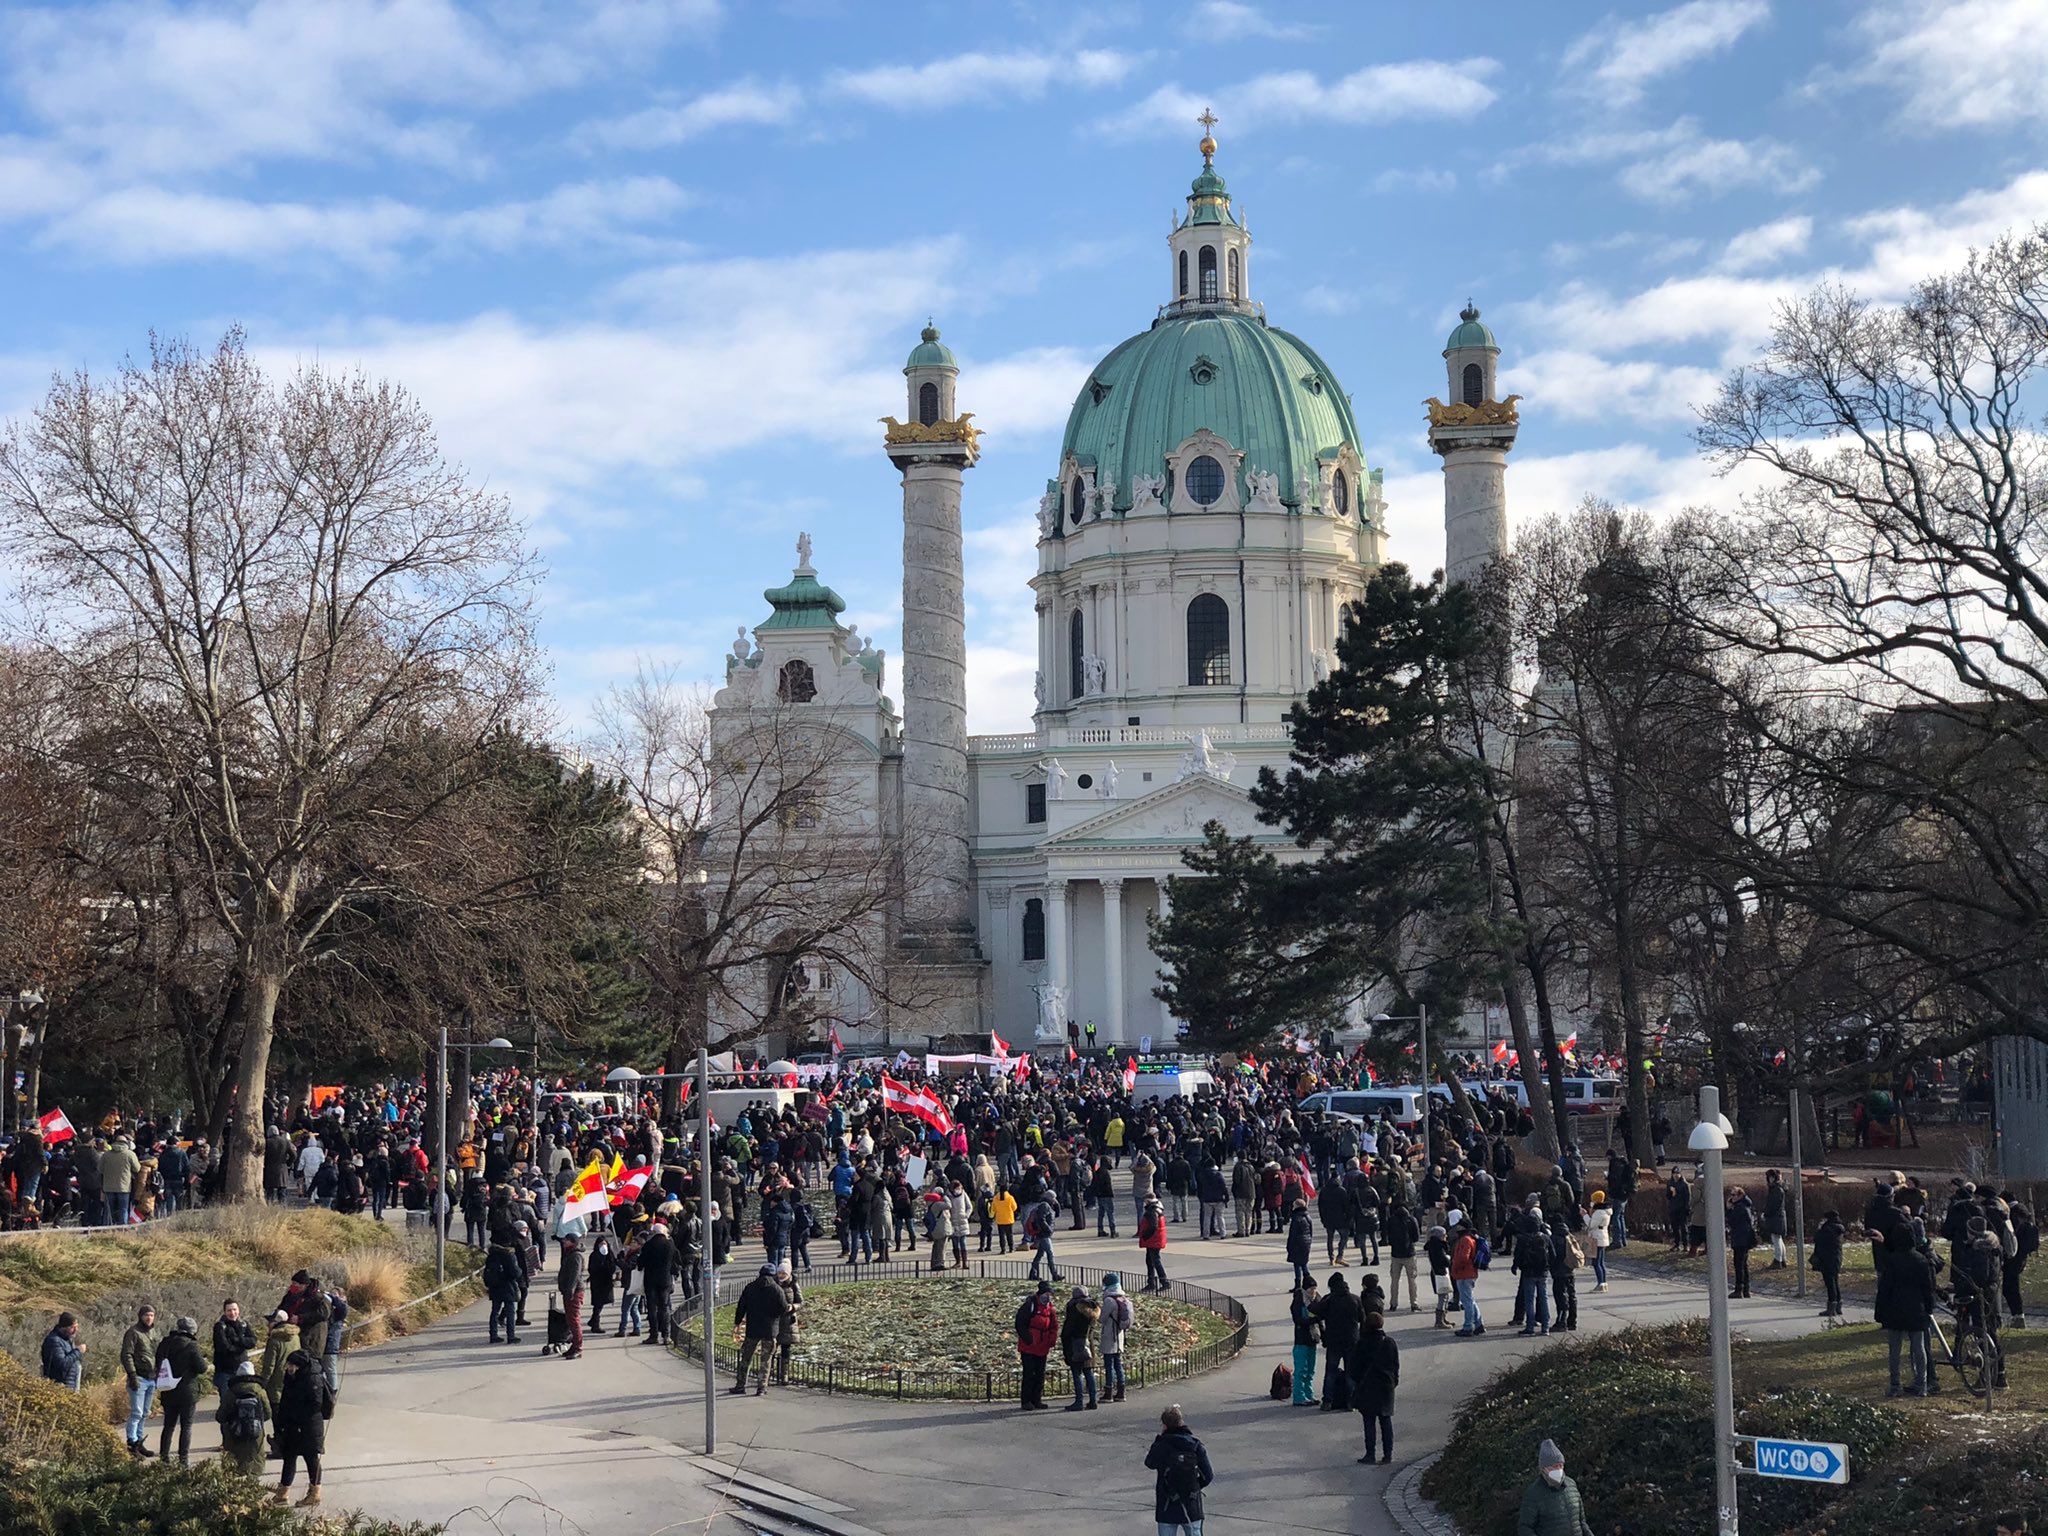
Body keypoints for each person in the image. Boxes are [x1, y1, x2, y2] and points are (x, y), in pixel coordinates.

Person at [1874, 1221, 1936, 1397]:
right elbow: (1928, 1288)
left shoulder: (1892, 1261)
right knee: (1919, 1348)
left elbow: (1884, 1289)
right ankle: (1922, 1384)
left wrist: (1880, 1312)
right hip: (1917, 1309)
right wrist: (1929, 1308)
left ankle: (1895, 1384)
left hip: (1895, 1309)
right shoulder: (1921, 1260)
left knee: (1895, 1349)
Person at [270, 1347, 335, 1508]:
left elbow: (315, 1404)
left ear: (299, 1365)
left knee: (311, 1458)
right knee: (289, 1456)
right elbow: (286, 1398)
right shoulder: (293, 1376)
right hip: (293, 1424)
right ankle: (283, 1493)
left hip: (309, 1426)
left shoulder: (313, 1379)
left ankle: (314, 1493)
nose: (288, 1368)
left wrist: (296, 1418)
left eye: (291, 1365)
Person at [1143, 1403, 1214, 1536]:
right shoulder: (1195, 1444)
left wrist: (1158, 1440)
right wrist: (1194, 1487)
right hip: (1191, 1504)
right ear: (1181, 1422)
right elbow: (1208, 1476)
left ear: (1164, 1425)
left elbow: (1149, 1463)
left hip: (1167, 1504)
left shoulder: (1162, 1445)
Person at [152, 1315, 206, 1466]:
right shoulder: (191, 1345)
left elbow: (158, 1361)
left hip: (168, 1389)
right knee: (186, 1426)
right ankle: (183, 1460)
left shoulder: (165, 1343)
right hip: (187, 1391)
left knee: (168, 1425)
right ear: (191, 1331)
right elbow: (201, 1367)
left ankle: (164, 1458)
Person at [731, 1264, 791, 1395]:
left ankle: (740, 1385)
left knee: (746, 1358)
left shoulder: (750, 1287)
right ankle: (761, 1387)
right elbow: (783, 1307)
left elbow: (741, 1306)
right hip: (770, 1330)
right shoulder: (777, 1289)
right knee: (766, 1360)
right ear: (773, 1275)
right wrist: (776, 1315)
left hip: (752, 1328)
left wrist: (737, 1322)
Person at [1349, 1310, 1399, 1464]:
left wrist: (1358, 1382)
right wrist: (1393, 1381)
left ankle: (1370, 1454)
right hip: (1386, 1386)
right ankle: (1388, 1454)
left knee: (1369, 1422)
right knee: (1386, 1421)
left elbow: (1354, 1368)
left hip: (1368, 1386)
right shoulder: (1389, 1342)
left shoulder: (1362, 1343)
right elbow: (1395, 1365)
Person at [1518, 1439, 1594, 1536]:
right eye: (1554, 1466)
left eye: (1560, 1465)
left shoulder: (1571, 1485)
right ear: (1544, 1469)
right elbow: (1525, 1527)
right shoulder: (1533, 1494)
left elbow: (1581, 1521)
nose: (1558, 1469)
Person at [214, 1359, 272, 1479]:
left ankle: (233, 1492)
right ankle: (252, 1489)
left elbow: (221, 1416)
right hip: (255, 1434)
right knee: (254, 1464)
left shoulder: (232, 1392)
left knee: (233, 1466)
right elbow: (267, 1414)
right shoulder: (260, 1391)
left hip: (234, 1433)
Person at [121, 1303, 160, 1457]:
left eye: (151, 1315)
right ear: (140, 1316)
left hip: (151, 1377)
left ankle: (139, 1441)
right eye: (146, 1315)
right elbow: (127, 1354)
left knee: (144, 1412)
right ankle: (132, 1443)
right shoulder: (133, 1332)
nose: (149, 1318)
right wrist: (132, 1374)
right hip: (138, 1377)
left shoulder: (153, 1333)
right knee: (136, 1412)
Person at [1014, 1279, 1059, 1411]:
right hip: (1029, 1346)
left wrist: (1051, 1340)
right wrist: (1029, 1339)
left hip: (1043, 1346)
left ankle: (1036, 1399)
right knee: (1029, 1373)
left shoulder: (1050, 1308)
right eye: (1047, 1293)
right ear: (1041, 1293)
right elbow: (1019, 1324)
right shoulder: (1030, 1305)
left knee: (1040, 1374)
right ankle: (1026, 1400)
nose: (1049, 1296)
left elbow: (1054, 1326)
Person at [1061, 1284, 1100, 1411]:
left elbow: (1068, 1329)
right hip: (1089, 1343)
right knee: (1088, 1372)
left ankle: (1079, 1401)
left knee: (1077, 1373)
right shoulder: (1093, 1308)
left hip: (1076, 1343)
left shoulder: (1073, 1307)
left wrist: (1065, 1340)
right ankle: (1093, 1400)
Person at [485, 1230, 525, 1344]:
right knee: (510, 1311)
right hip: (508, 1286)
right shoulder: (508, 1255)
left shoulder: (491, 1255)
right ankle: (511, 1336)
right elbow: (515, 1272)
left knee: (495, 1311)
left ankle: (493, 1335)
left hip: (495, 1286)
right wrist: (520, 1271)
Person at [213, 1299, 258, 1398]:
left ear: (238, 1310)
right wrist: (241, 1348)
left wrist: (238, 1340)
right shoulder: (220, 1326)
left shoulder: (243, 1324)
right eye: (229, 1310)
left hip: (243, 1370)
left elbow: (253, 1341)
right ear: (224, 1312)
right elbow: (223, 1347)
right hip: (225, 1372)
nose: (232, 1313)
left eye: (234, 1309)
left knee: (244, 1399)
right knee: (226, 1401)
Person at [1099, 1272, 1133, 1404]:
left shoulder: (1109, 1301)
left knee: (1109, 1365)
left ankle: (1108, 1393)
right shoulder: (1125, 1300)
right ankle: (1121, 1391)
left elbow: (1102, 1319)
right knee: (1118, 1364)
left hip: (1109, 1336)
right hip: (1120, 1336)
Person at [1289, 1276, 1321, 1406]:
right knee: (1301, 1370)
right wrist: (1314, 1320)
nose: (1313, 1292)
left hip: (1313, 1338)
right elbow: (1298, 1320)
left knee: (1310, 1370)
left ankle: (1309, 1394)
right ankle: (1299, 1396)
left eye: (1314, 1289)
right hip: (1302, 1339)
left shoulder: (1317, 1299)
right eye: (1311, 1289)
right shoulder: (1299, 1301)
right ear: (1305, 1289)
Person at [1450, 1219, 1485, 1336]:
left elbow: (1463, 1257)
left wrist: (1455, 1267)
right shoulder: (1471, 1238)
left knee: (1467, 1302)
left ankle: (1468, 1326)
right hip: (1469, 1273)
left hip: (1464, 1274)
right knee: (1470, 1300)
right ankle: (1478, 1324)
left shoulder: (1465, 1240)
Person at [259, 1309, 299, 1404]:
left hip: (276, 1383)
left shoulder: (274, 1340)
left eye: (270, 1322)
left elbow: (269, 1366)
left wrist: (262, 1383)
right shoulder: (296, 1337)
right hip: (293, 1379)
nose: (268, 1324)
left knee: (277, 1414)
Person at [556, 1232, 586, 1360]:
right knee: (570, 1319)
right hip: (569, 1290)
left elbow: (574, 1275)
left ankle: (578, 1347)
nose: (564, 1242)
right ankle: (574, 1346)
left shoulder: (576, 1256)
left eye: (566, 1240)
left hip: (574, 1291)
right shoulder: (570, 1253)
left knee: (574, 1320)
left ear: (572, 1242)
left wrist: (570, 1291)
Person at [1812, 1209, 1846, 1319]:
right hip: (1836, 1258)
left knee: (1830, 1283)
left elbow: (1817, 1238)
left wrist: (1819, 1228)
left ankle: (1831, 1306)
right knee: (1835, 1281)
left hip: (1827, 1259)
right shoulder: (1838, 1228)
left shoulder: (1827, 1229)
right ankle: (1838, 1305)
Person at [1726, 1185, 1758, 1299]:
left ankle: (1739, 1289)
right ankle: (1746, 1289)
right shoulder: (1745, 1205)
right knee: (1743, 1264)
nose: (1731, 1197)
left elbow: (1732, 1221)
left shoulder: (1740, 1207)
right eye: (1731, 1195)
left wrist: (1729, 1209)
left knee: (1739, 1264)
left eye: (1734, 1195)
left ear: (1740, 1195)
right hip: (1743, 1237)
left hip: (1740, 1238)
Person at [40, 1311, 84, 1389]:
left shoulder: (67, 1339)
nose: (76, 1330)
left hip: (70, 1385)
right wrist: (78, 1352)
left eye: (77, 1326)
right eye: (72, 1327)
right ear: (64, 1327)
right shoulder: (54, 1341)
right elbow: (62, 1364)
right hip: (60, 1387)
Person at [1139, 1195, 1170, 1292]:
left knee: (1155, 1261)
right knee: (1150, 1260)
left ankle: (1164, 1282)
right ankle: (1152, 1282)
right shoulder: (1156, 1209)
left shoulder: (1151, 1211)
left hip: (1153, 1240)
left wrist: (1145, 1236)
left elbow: (1153, 1226)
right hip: (1156, 1239)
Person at [1285, 1199, 1315, 1290]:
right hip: (1306, 1242)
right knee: (1304, 1263)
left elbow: (1293, 1234)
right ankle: (1308, 1282)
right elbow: (1311, 1231)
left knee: (1297, 1264)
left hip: (1297, 1243)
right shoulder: (1308, 1216)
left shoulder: (1296, 1218)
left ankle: (1298, 1284)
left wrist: (1289, 1246)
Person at [1763, 1169, 1790, 1268]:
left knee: (1776, 1238)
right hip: (1778, 1217)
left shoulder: (1776, 1190)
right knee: (1779, 1238)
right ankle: (1782, 1259)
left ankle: (1778, 1260)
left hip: (1776, 1217)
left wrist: (1766, 1213)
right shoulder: (1778, 1188)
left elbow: (1773, 1205)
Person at [1586, 1194, 1612, 1291]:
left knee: (1596, 1262)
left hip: (1597, 1238)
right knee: (1601, 1262)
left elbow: (1591, 1224)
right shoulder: (1605, 1211)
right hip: (1603, 1237)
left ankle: (1600, 1283)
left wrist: (1585, 1216)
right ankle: (1604, 1283)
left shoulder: (1599, 1212)